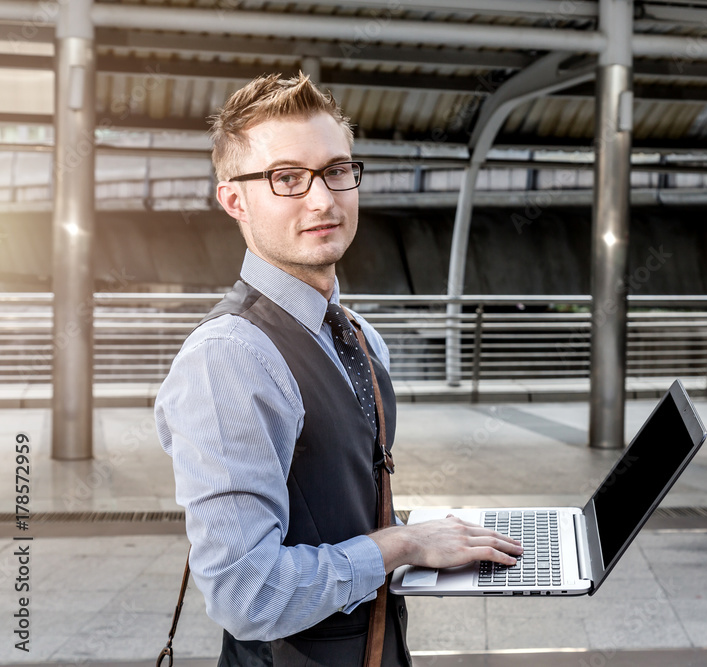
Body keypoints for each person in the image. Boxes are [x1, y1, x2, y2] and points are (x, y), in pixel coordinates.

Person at [155, 73, 522, 667]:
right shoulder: (226, 359)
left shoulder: (355, 333)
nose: (323, 199)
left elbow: (340, 505)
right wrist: (401, 544)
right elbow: (247, 595)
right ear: (234, 199)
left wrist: (439, 537)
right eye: (287, 178)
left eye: (336, 170)